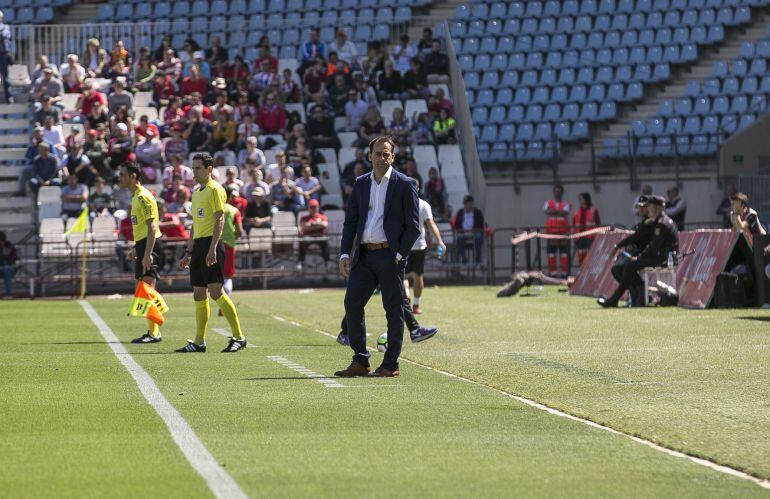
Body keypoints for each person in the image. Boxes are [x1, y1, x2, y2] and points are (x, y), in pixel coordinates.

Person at [335, 135, 420, 378]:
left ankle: (390, 364)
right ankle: (360, 360)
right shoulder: (361, 183)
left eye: (386, 154)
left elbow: (413, 226)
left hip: (389, 257)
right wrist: (344, 252)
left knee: (393, 310)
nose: (382, 157)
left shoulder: (405, 184)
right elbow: (350, 222)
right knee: (352, 303)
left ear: (392, 157)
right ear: (369, 156)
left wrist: (399, 255)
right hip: (363, 256)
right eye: (377, 153)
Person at [176, 153, 248, 353]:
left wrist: (212, 248)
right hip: (199, 245)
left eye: (198, 168)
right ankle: (199, 342)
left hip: (211, 245)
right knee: (199, 293)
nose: (194, 172)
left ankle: (239, 337)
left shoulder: (216, 189)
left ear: (209, 169)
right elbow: (194, 225)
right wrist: (189, 252)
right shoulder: (197, 191)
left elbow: (220, 220)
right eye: (193, 168)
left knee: (216, 292)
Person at [598, 195, 678, 308]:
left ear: (657, 208)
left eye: (649, 206)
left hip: (664, 259)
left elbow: (653, 247)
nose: (647, 209)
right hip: (661, 257)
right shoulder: (659, 221)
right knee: (625, 266)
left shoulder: (662, 224)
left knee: (630, 265)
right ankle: (637, 295)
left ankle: (618, 298)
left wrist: (639, 257)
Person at [118, 162, 165, 343]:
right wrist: (136, 247)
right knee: (141, 288)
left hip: (150, 245)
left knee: (146, 289)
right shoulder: (136, 197)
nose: (119, 178)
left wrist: (147, 253)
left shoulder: (143, 197)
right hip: (143, 244)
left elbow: (152, 227)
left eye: (122, 174)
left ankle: (155, 332)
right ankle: (153, 331)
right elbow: (142, 228)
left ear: (133, 176)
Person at [407, 195, 446, 315]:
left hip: (403, 246)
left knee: (402, 276)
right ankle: (416, 305)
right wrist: (439, 241)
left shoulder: (399, 202)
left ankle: (406, 298)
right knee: (418, 275)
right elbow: (431, 224)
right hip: (419, 245)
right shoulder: (423, 205)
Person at [219, 187, 244, 314]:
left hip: (214, 244)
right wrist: (234, 237)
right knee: (227, 276)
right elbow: (239, 230)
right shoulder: (234, 210)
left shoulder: (214, 209)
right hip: (228, 245)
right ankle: (224, 306)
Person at [543, 184, 571, 277]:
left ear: (562, 193)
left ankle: (564, 274)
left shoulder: (566, 204)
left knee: (564, 254)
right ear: (553, 192)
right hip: (551, 232)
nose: (557, 194)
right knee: (551, 253)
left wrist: (553, 211)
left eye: (559, 192)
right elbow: (547, 211)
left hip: (563, 232)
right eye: (556, 192)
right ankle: (552, 274)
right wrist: (559, 211)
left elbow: (565, 212)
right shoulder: (548, 202)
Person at [452, 195, 485, 264]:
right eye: (465, 204)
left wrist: (475, 229)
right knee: (459, 238)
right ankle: (464, 257)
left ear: (472, 204)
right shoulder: (460, 212)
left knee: (478, 237)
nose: (467, 205)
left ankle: (478, 256)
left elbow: (481, 224)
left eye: (468, 203)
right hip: (463, 232)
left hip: (474, 232)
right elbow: (456, 225)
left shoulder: (477, 212)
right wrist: (460, 230)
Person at [572, 192, 601, 267]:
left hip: (590, 237)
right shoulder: (576, 211)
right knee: (581, 254)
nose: (580, 201)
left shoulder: (593, 210)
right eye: (579, 199)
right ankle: (581, 270)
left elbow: (598, 223)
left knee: (591, 255)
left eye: (582, 199)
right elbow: (574, 224)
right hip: (580, 237)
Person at [297, 199, 329, 268]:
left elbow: (325, 225)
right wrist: (318, 225)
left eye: (315, 207)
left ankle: (327, 261)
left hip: (320, 236)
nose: (313, 209)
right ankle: (301, 261)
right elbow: (304, 227)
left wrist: (311, 224)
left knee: (325, 242)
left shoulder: (322, 216)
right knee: (302, 242)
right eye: (311, 207)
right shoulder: (304, 217)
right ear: (308, 208)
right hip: (308, 237)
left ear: (318, 207)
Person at [0, 12, 13, 103]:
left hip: (3, 55)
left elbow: (5, 36)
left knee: (6, 78)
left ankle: (9, 97)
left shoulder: (6, 27)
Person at [0, 230, 16, 299]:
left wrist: (2, 249)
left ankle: (8, 294)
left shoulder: (9, 247)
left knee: (6, 269)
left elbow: (10, 261)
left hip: (9, 268)